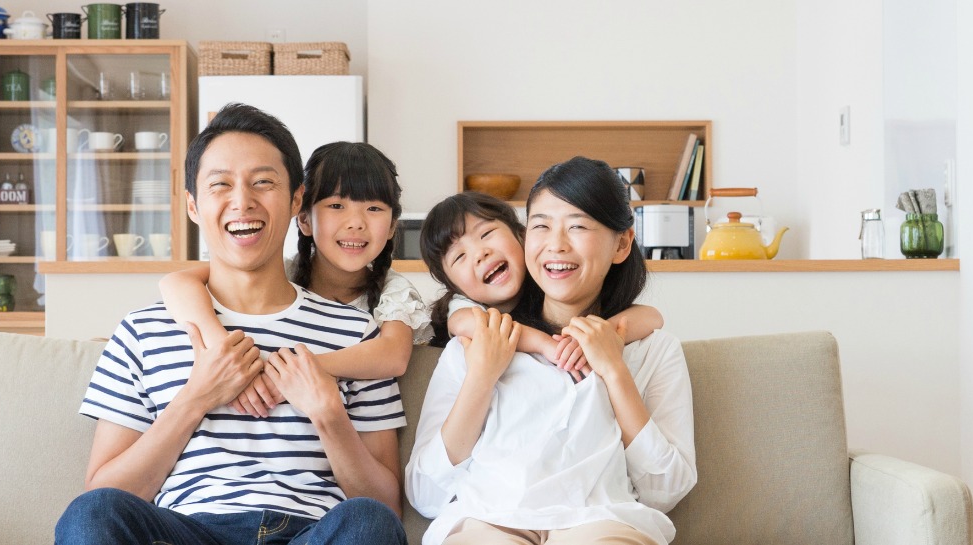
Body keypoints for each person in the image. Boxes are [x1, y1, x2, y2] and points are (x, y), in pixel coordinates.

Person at [57, 103, 408, 545]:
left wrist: (329, 414)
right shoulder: (143, 331)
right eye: (220, 184)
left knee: (369, 522)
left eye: (263, 182)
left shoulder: (355, 335)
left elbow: (387, 510)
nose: (242, 201)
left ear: (296, 200)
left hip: (310, 534)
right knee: (93, 512)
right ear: (193, 204)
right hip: (185, 532)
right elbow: (105, 494)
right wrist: (196, 397)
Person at [406, 157, 697, 545]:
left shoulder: (653, 349)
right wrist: (482, 377)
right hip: (487, 521)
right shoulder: (476, 343)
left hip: (603, 522)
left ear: (622, 243)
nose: (556, 244)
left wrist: (614, 371)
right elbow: (426, 494)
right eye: (542, 225)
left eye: (577, 226)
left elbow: (666, 490)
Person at [158, 141, 426, 418]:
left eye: (374, 209)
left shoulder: (395, 291)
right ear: (304, 219)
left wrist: (291, 372)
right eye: (336, 205)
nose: (356, 222)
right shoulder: (281, 273)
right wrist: (222, 350)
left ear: (392, 226)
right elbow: (175, 284)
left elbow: (393, 356)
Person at [419, 192, 664, 378]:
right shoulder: (462, 306)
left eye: (486, 234)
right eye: (459, 256)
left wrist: (595, 337)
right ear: (452, 285)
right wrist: (547, 346)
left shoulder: (550, 282)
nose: (480, 253)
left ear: (521, 234)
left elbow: (652, 317)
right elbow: (472, 324)